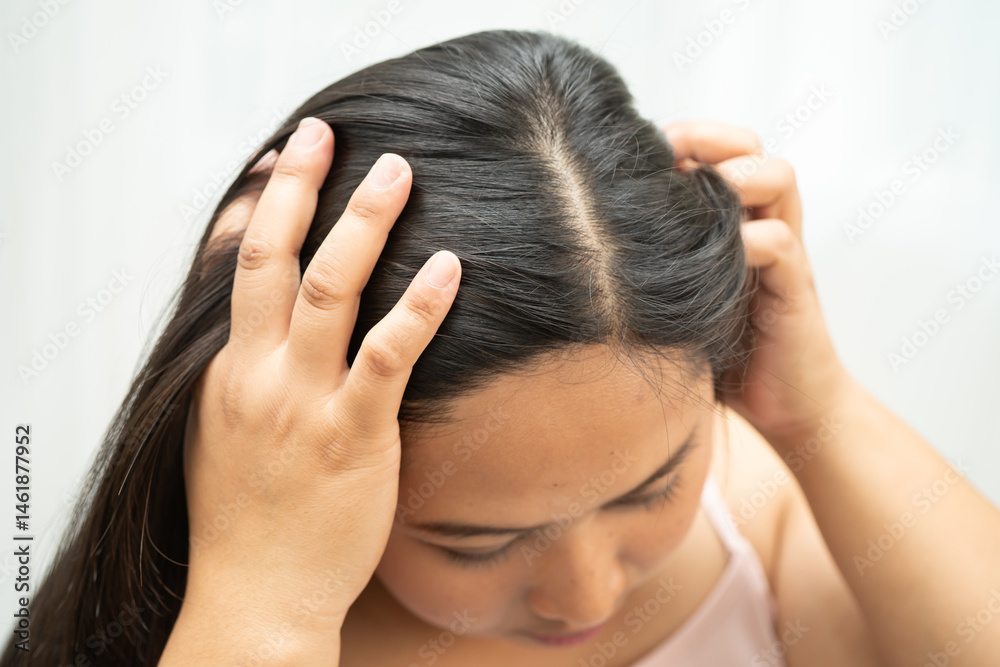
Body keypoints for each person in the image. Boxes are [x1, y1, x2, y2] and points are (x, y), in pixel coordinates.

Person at [6, 29, 999, 667]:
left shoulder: (754, 519)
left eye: (651, 487)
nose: (587, 592)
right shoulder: (256, 626)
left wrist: (818, 407)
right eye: (473, 540)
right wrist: (261, 604)